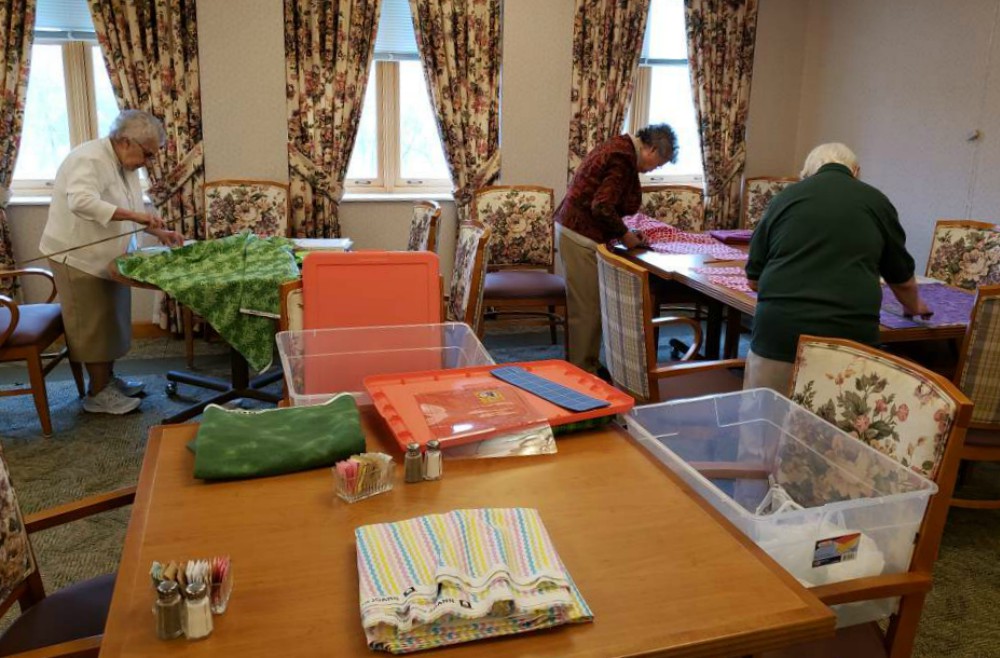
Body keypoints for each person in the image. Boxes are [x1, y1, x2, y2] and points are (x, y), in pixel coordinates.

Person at [743, 142, 930, 393]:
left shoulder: (783, 199)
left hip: (779, 335)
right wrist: (914, 306)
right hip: (849, 337)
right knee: (838, 422)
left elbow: (754, 278)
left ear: (808, 173)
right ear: (856, 170)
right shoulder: (877, 201)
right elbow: (902, 278)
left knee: (763, 418)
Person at [40, 110, 184, 415]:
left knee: (112, 323)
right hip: (77, 256)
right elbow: (80, 202)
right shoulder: (88, 159)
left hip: (110, 258)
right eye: (147, 153)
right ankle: (97, 393)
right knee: (93, 327)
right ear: (123, 140)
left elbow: (129, 209)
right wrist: (137, 216)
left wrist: (160, 231)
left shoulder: (124, 164)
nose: (148, 161)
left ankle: (108, 380)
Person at [554, 124, 678, 374]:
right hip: (580, 235)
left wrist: (626, 233)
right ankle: (580, 373)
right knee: (587, 312)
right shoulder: (622, 157)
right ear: (651, 148)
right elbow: (601, 206)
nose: (656, 169)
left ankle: (586, 363)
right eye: (659, 162)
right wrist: (625, 235)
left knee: (591, 308)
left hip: (577, 230)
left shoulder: (621, 147)